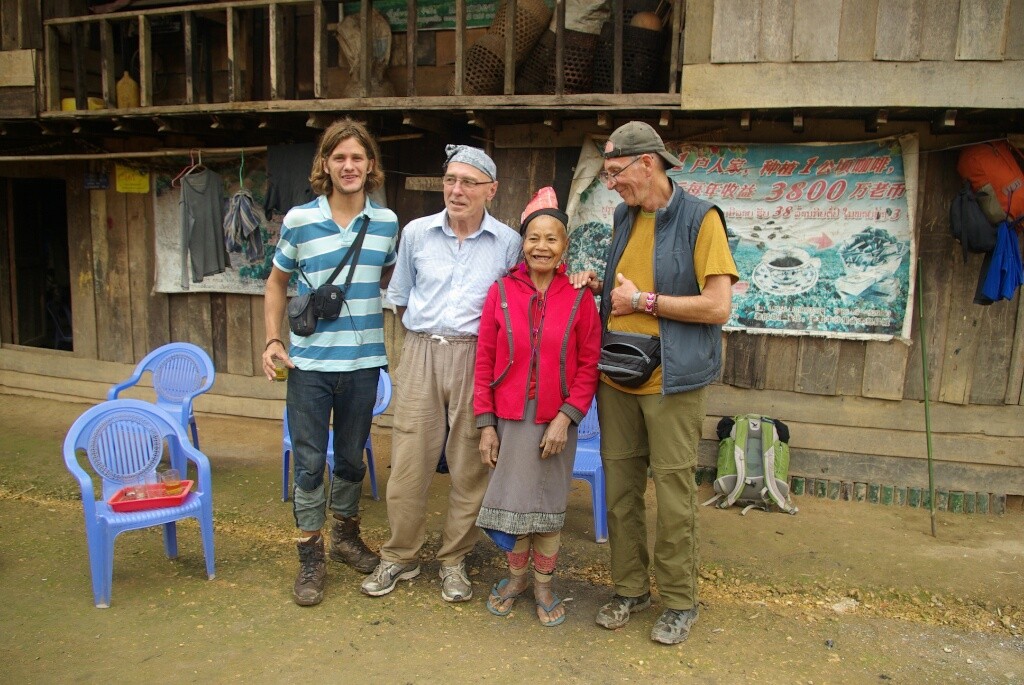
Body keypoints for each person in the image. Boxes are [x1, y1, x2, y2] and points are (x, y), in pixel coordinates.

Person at [571, 121, 738, 644]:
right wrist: (603, 290)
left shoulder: (699, 218)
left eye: (618, 173)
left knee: (673, 494)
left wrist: (642, 302)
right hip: (618, 376)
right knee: (620, 491)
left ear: (649, 163)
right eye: (607, 174)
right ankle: (629, 590)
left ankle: (680, 600)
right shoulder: (625, 215)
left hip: (671, 381)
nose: (613, 185)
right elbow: (627, 287)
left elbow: (717, 307)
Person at [362, 145, 520, 602]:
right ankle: (400, 556)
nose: (457, 190)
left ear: (491, 189)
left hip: (478, 356)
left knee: (471, 463)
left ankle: (454, 559)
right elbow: (401, 296)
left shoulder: (508, 242)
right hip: (421, 350)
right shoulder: (416, 233)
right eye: (450, 180)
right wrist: (430, 335)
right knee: (410, 456)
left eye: (469, 182)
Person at [262, 118, 399, 607]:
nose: (348, 166)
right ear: (325, 164)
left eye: (357, 157)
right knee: (308, 462)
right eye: (339, 157)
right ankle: (310, 555)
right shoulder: (300, 220)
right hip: (308, 367)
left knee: (349, 458)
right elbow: (276, 282)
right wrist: (272, 340)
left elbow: (390, 284)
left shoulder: (386, 224)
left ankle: (344, 536)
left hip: (364, 364)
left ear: (370, 165)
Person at [473, 188, 601, 626]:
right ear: (522, 243)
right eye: (533, 238)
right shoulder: (502, 291)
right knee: (515, 504)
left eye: (551, 239)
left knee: (546, 507)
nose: (541, 247)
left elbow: (589, 366)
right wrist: (486, 424)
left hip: (555, 422)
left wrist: (566, 418)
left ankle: (544, 583)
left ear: (564, 246)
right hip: (509, 419)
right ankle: (517, 579)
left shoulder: (581, 298)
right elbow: (485, 359)